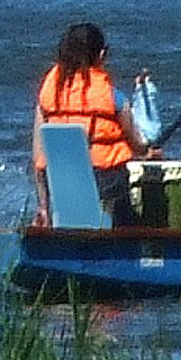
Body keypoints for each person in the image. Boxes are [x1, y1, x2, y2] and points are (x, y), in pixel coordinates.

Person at [32, 22, 147, 226]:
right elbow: (137, 145)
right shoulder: (114, 98)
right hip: (105, 184)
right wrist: (147, 152)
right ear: (102, 55)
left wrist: (43, 208)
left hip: (59, 183)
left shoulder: (47, 98)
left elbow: (38, 159)